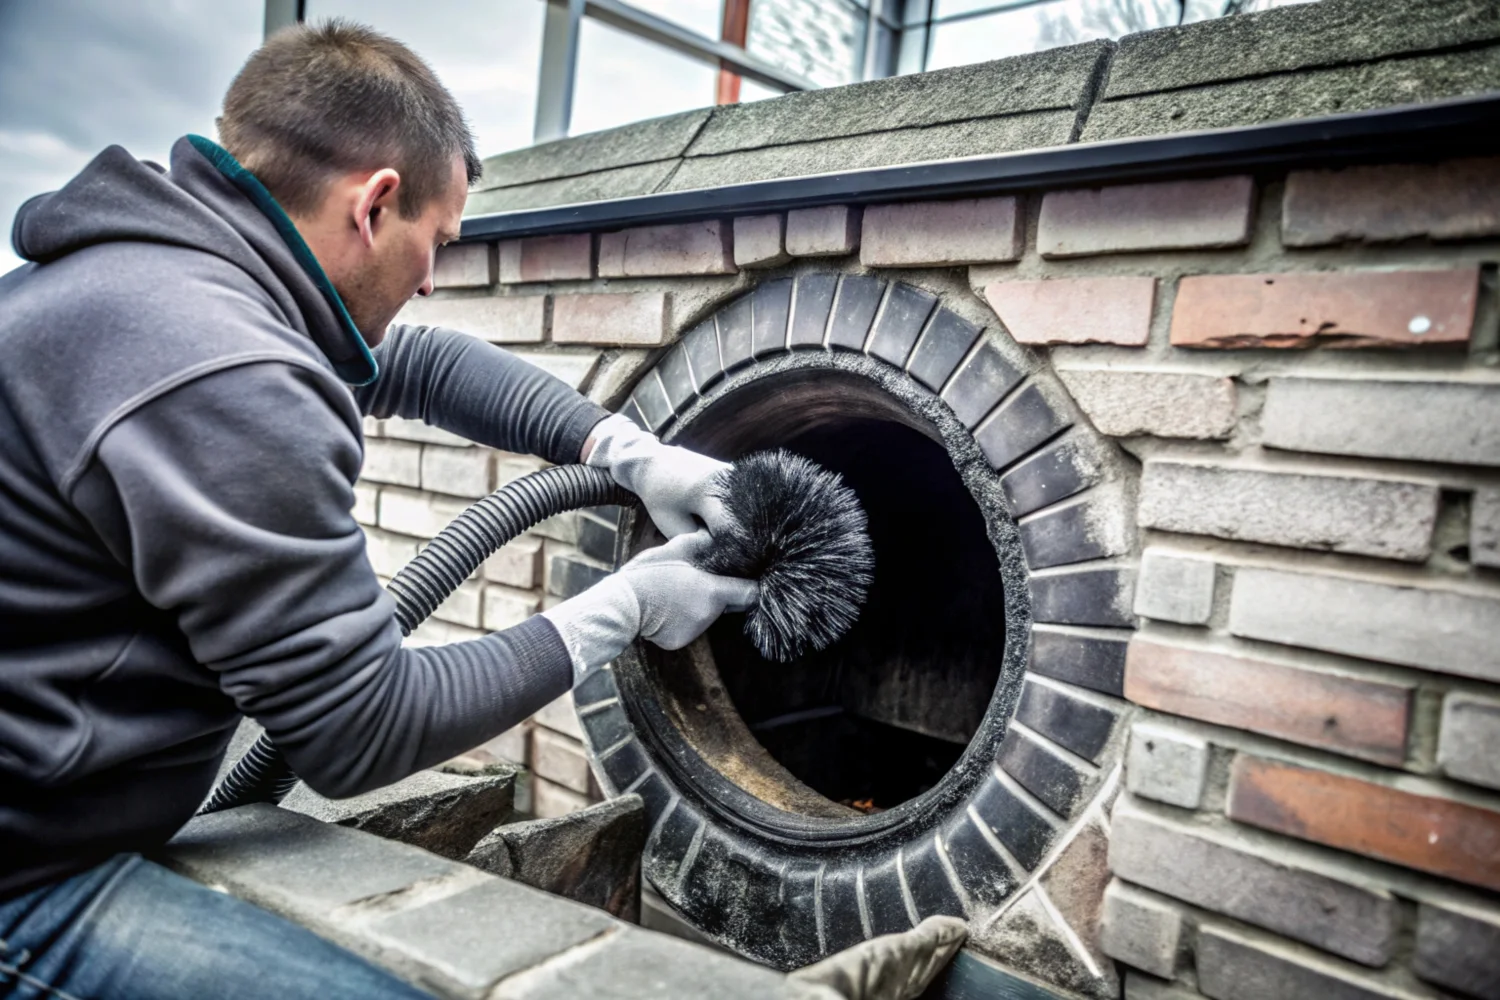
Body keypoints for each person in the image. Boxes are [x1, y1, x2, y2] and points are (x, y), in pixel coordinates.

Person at [0, 20, 758, 999]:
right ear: (374, 203)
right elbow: (359, 728)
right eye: (435, 242)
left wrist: (630, 453)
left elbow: (419, 365)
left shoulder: (159, 282)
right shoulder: (224, 371)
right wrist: (627, 607)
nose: (433, 277)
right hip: (29, 877)